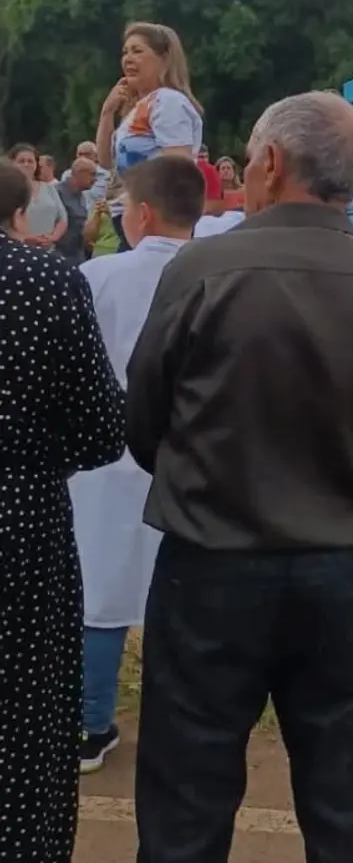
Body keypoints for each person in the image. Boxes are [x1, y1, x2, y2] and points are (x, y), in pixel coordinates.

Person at [125, 92, 353, 863]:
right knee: (343, 809)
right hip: (344, 577)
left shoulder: (202, 269)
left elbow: (145, 424)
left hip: (211, 567)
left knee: (184, 809)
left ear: (268, 163)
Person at [0, 156, 125, 862]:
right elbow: (103, 431)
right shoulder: (46, 280)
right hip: (21, 522)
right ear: (21, 216)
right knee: (26, 712)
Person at [70, 157, 206, 774]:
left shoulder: (97, 276)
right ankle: (184, 732)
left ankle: (90, 725)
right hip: (193, 459)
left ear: (142, 212)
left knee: (100, 599)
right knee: (182, 601)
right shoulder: (220, 274)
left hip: (106, 461)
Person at [95, 22, 203, 251]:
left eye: (137, 51)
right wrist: (107, 112)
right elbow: (105, 162)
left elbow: (178, 168)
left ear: (163, 58)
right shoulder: (138, 109)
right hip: (131, 216)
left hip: (156, 221)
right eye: (125, 52)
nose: (128, 59)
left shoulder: (167, 102)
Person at [7, 142, 68, 250]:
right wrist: (26, 238)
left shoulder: (49, 188)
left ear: (36, 164)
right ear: (12, 163)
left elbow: (62, 218)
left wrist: (52, 238)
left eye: (30, 161)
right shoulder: (7, 190)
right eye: (21, 161)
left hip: (48, 250)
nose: (26, 164)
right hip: (19, 250)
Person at [56, 156, 97, 264]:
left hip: (78, 255)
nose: (95, 179)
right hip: (59, 257)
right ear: (79, 173)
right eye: (92, 174)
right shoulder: (56, 194)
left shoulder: (82, 196)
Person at [63, 140, 110, 206]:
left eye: (87, 154)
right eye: (80, 154)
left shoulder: (107, 176)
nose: (83, 157)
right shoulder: (67, 175)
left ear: (96, 156)